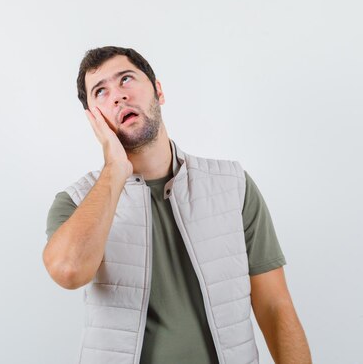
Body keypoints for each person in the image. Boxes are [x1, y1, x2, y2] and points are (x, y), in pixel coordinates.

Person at [42, 46, 311, 364]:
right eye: (101, 92)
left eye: (126, 79)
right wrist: (114, 170)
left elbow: (275, 306)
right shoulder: (76, 202)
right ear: (93, 118)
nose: (117, 96)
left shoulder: (233, 184)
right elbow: (68, 271)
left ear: (158, 90)